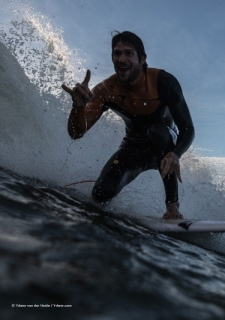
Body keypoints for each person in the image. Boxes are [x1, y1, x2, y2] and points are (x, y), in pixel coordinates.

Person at [62, 31, 195, 220]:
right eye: (117, 53)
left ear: (142, 59)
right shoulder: (106, 90)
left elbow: (188, 128)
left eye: (128, 53)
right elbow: (76, 133)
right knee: (99, 194)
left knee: (157, 131)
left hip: (165, 144)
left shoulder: (164, 82)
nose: (121, 59)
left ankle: (172, 207)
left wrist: (176, 153)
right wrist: (78, 107)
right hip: (133, 148)